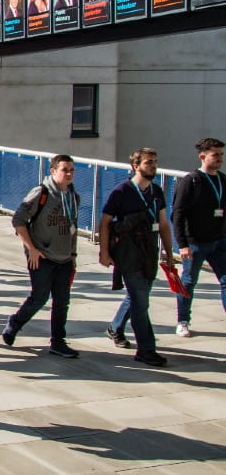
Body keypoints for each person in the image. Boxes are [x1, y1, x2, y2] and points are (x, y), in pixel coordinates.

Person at [99, 148, 175, 367]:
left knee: (137, 296)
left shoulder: (157, 192)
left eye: (155, 162)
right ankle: (146, 349)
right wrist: (104, 252)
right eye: (149, 162)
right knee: (141, 302)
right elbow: (105, 223)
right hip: (128, 253)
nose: (153, 166)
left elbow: (163, 224)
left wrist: (169, 254)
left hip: (149, 252)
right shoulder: (121, 191)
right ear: (136, 166)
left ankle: (115, 327)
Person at [1, 155, 81, 358]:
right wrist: (31, 249)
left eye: (72, 170)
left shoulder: (73, 196)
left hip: (64, 259)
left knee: (62, 301)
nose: (69, 174)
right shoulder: (41, 193)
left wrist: (73, 256)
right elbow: (18, 220)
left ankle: (58, 341)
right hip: (42, 257)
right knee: (39, 297)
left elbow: (74, 228)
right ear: (53, 171)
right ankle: (15, 323)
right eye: (65, 170)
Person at [171, 137, 226, 337]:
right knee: (188, 281)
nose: (220, 158)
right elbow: (178, 213)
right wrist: (182, 244)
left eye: (221, 154)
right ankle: (183, 321)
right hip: (195, 243)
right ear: (203, 157)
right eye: (215, 155)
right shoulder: (191, 181)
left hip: (219, 240)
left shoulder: (222, 179)